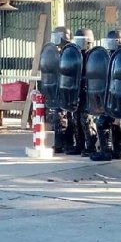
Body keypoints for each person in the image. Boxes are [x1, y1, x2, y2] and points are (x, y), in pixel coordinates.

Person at [89, 29, 121, 161]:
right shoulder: (118, 56)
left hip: (115, 95)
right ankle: (116, 151)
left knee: (102, 123)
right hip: (113, 95)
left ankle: (107, 151)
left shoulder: (120, 57)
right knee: (116, 123)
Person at [42, 26, 75, 154]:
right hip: (57, 89)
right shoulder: (56, 51)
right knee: (58, 117)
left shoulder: (71, 52)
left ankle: (68, 143)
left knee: (69, 118)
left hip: (68, 89)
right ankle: (59, 143)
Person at [66, 28, 98, 157]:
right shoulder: (75, 54)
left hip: (89, 93)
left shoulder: (93, 56)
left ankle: (90, 146)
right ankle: (79, 145)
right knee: (76, 119)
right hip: (77, 92)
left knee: (87, 120)